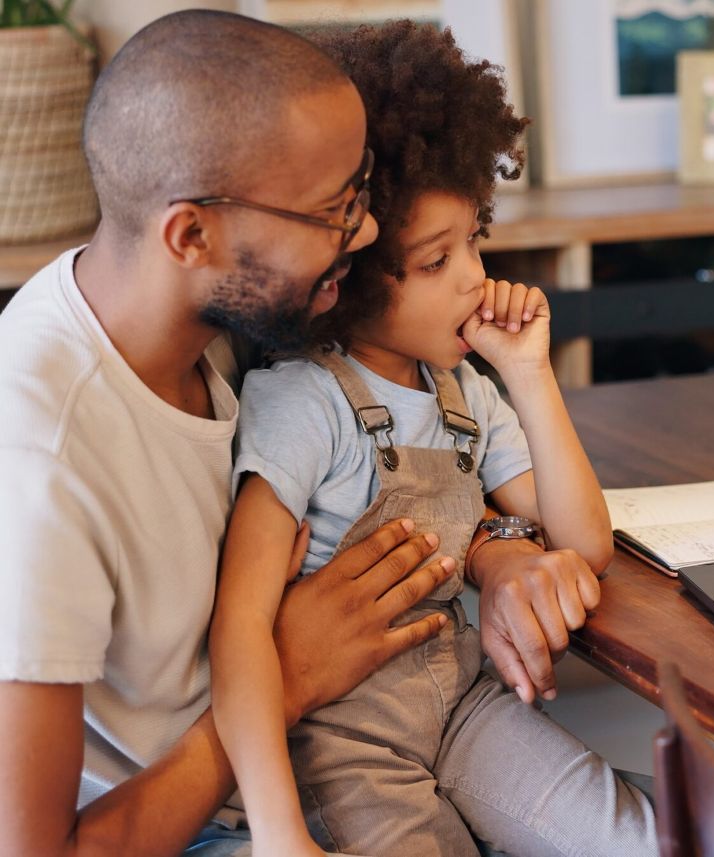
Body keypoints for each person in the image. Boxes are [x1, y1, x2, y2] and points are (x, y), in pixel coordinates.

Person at [0, 11, 601, 857]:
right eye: (334, 210)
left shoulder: (227, 313)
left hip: (345, 747)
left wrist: (495, 547)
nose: (362, 235)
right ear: (191, 235)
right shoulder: (41, 462)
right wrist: (288, 676)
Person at [209, 20, 655, 857]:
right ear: (349, 278)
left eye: (475, 242)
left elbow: (585, 541)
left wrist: (530, 373)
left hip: (464, 710)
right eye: (436, 261)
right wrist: (278, 831)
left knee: (643, 836)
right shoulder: (300, 402)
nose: (476, 280)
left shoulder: (466, 392)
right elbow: (239, 627)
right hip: (346, 748)